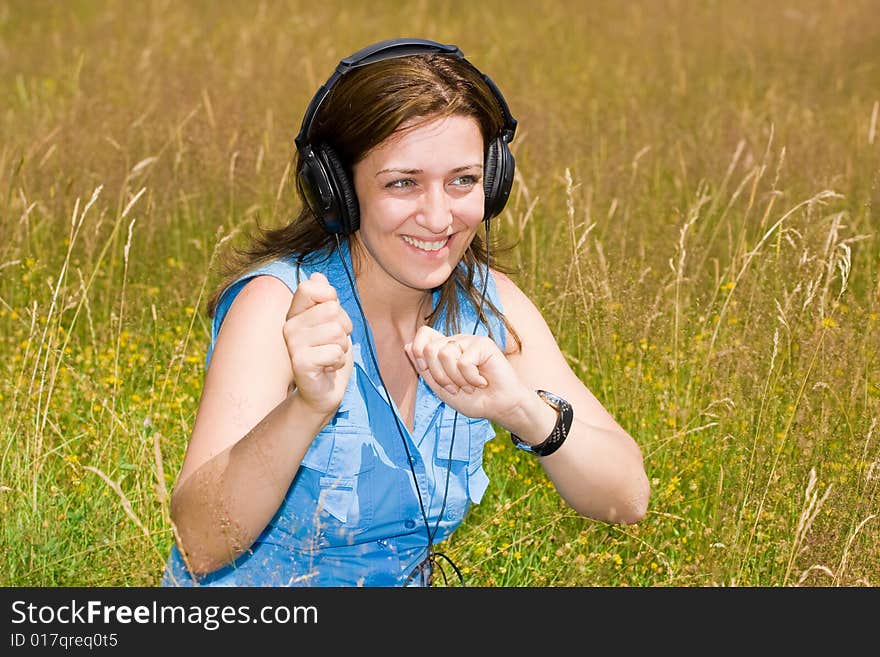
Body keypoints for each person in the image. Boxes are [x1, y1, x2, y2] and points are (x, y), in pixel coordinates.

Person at [161, 38, 650, 587]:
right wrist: (306, 407)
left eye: (463, 180)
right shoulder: (276, 307)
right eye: (403, 183)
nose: (440, 217)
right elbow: (200, 543)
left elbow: (626, 498)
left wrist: (522, 410)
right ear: (338, 190)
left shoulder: (491, 303)